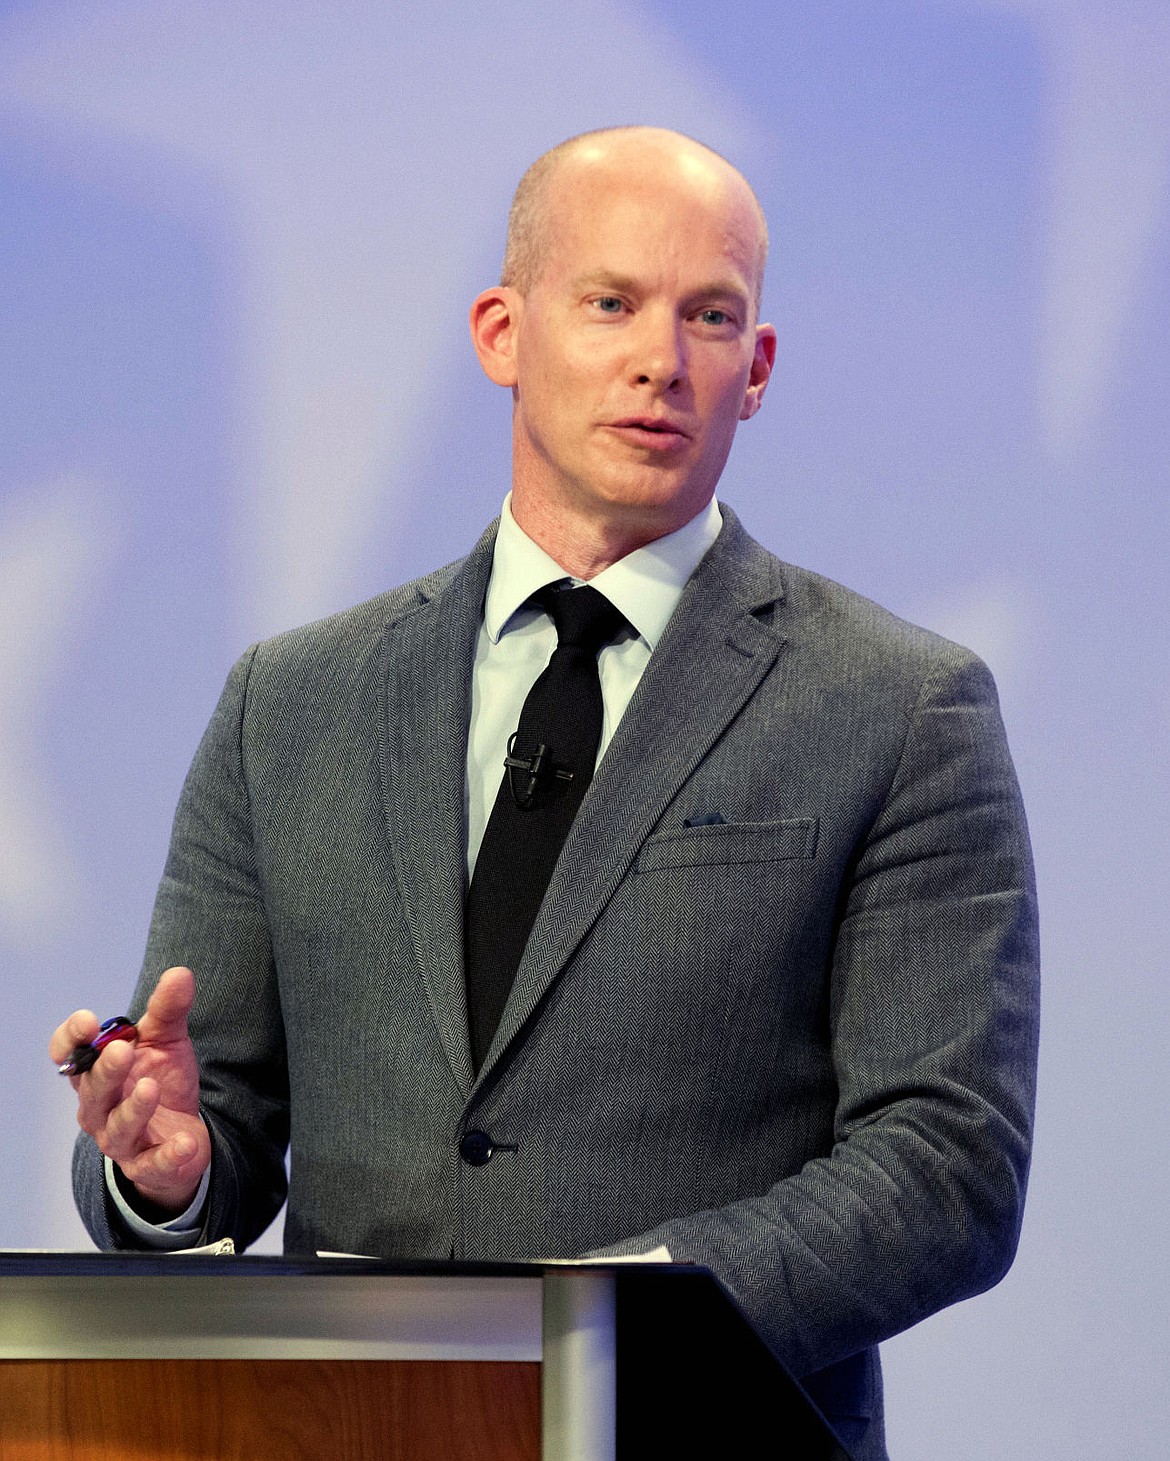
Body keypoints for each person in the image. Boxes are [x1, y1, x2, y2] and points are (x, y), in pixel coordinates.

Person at [51, 126, 1039, 1461]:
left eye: (709, 317)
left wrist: (600, 1324)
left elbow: (946, 1167)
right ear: (500, 331)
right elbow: (212, 1121)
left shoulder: (898, 705)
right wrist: (162, 1173)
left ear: (754, 374)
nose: (659, 358)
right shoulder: (290, 702)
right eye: (612, 302)